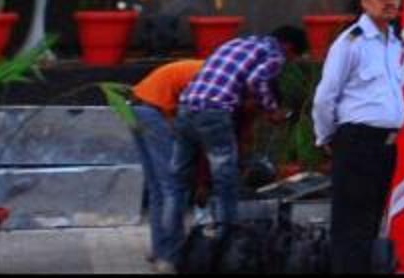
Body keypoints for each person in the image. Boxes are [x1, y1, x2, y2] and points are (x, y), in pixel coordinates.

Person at [312, 0, 404, 275]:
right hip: (357, 140)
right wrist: (328, 137)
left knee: (371, 220)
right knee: (351, 224)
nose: (391, 2)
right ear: (365, 2)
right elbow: (325, 96)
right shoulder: (350, 42)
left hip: (386, 144)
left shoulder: (394, 43)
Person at [176, 23, 304, 239]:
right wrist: (272, 110)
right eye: (293, 57)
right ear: (289, 47)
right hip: (214, 109)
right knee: (226, 180)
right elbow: (257, 80)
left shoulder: (236, 43)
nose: (288, 62)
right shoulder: (275, 54)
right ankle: (227, 241)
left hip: (186, 107)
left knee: (177, 180)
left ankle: (171, 245)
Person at [124, 55, 204, 268]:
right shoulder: (217, 82)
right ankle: (170, 256)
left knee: (158, 188)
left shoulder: (209, 70)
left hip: (135, 107)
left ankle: (160, 249)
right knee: (173, 187)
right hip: (153, 112)